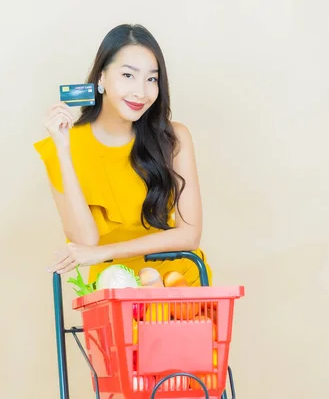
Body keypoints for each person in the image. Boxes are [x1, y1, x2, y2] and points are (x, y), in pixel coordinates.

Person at [34, 24, 213, 287]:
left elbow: (190, 235)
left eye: (152, 79)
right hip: (114, 290)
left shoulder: (173, 138)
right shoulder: (64, 146)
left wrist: (107, 252)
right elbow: (85, 242)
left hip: (178, 284)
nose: (141, 92)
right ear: (101, 78)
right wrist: (63, 149)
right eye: (128, 75)